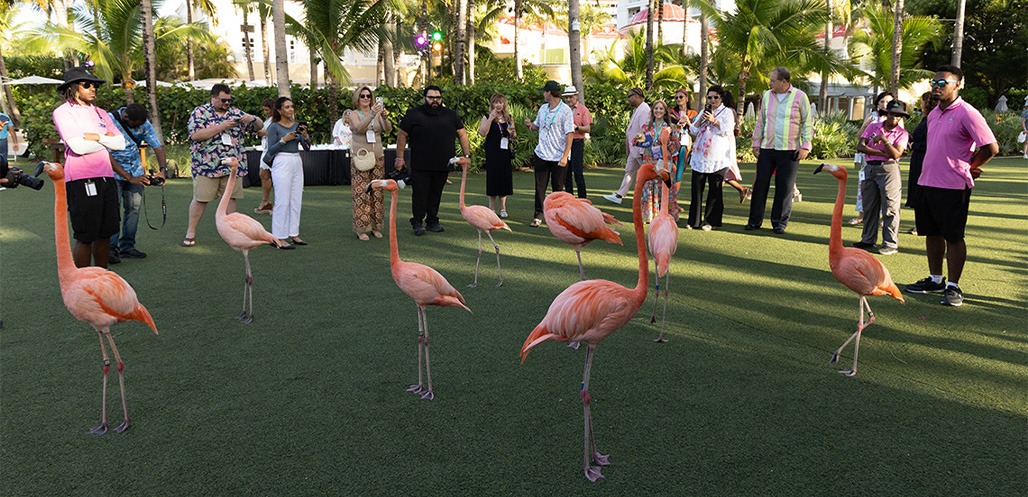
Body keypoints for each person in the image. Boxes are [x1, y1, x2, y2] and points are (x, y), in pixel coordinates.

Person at [904, 65, 998, 307]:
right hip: (926, 181)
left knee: (953, 237)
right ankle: (935, 279)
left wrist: (970, 165)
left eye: (942, 83)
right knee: (931, 233)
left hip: (953, 185)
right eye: (934, 83)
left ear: (957, 85)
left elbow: (990, 147)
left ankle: (953, 286)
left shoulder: (968, 113)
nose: (936, 87)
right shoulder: (934, 112)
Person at [52, 66, 136, 268]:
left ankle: (102, 278)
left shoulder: (101, 113)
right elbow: (78, 147)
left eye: (95, 85)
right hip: (81, 179)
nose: (93, 88)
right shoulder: (63, 112)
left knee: (106, 233)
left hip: (107, 177)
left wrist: (95, 137)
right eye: (87, 84)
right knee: (86, 235)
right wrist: (106, 140)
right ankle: (81, 281)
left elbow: (121, 143)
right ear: (72, 88)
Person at [182, 84, 262, 247]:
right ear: (213, 98)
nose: (227, 103)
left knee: (231, 199)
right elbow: (195, 135)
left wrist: (253, 119)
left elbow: (259, 127)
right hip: (207, 166)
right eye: (223, 100)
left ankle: (233, 233)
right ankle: (190, 233)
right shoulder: (200, 112)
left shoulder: (235, 113)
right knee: (201, 199)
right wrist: (222, 127)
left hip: (232, 166)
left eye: (229, 100)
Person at [395, 86, 471, 236]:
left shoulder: (450, 115)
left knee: (436, 194)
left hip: (443, 164)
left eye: (438, 97)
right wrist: (399, 157)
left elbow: (462, 134)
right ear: (425, 98)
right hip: (420, 164)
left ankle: (432, 221)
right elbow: (402, 135)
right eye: (431, 98)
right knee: (420, 194)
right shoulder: (413, 114)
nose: (434, 100)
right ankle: (417, 222)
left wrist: (467, 156)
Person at [747, 66, 813, 234]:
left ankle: (779, 223)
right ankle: (754, 221)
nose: (770, 83)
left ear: (784, 81)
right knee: (760, 185)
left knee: (784, 188)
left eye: (773, 81)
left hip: (789, 149)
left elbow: (807, 122)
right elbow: (761, 120)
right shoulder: (767, 96)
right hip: (767, 147)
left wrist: (806, 146)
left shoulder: (800, 96)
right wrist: (756, 142)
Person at [107, 103, 168, 263]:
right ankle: (111, 249)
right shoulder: (109, 120)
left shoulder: (143, 122)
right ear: (126, 117)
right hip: (113, 172)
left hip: (135, 172)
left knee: (133, 209)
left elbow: (157, 147)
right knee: (113, 211)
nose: (139, 127)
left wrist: (163, 170)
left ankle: (127, 247)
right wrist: (128, 177)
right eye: (136, 124)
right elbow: (105, 155)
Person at [851, 100, 910, 255]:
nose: (894, 118)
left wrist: (884, 140)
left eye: (898, 115)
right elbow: (860, 146)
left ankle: (890, 244)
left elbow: (896, 154)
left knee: (890, 207)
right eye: (891, 114)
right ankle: (868, 240)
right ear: (886, 114)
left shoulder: (902, 133)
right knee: (869, 206)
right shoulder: (873, 126)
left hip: (889, 169)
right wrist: (881, 152)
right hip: (870, 167)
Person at [523, 80, 575, 227]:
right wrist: (529, 125)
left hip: (558, 156)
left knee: (557, 189)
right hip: (541, 154)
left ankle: (557, 216)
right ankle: (538, 215)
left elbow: (570, 134)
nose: (543, 94)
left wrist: (565, 156)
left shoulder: (565, 111)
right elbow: (536, 126)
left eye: (544, 91)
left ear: (550, 93)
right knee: (540, 187)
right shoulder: (543, 108)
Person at [686, 85, 737, 230]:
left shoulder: (727, 112)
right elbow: (693, 130)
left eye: (715, 97)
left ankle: (711, 221)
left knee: (715, 190)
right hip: (700, 155)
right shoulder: (704, 111)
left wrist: (714, 120)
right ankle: (694, 221)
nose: (712, 100)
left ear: (721, 98)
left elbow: (728, 131)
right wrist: (700, 120)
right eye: (710, 97)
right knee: (697, 189)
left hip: (718, 156)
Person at [346, 86, 391, 241]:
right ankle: (362, 229)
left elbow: (387, 129)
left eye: (368, 96)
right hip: (361, 157)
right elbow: (359, 129)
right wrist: (371, 114)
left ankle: (376, 226)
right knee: (361, 193)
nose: (366, 98)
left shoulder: (377, 113)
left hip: (377, 156)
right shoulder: (353, 114)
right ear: (357, 99)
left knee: (377, 192)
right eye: (362, 96)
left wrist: (384, 117)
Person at [264, 97, 311, 247]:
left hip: (296, 160)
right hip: (281, 161)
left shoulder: (296, 126)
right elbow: (271, 150)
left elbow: (307, 148)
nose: (291, 109)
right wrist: (284, 140)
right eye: (287, 107)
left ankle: (294, 233)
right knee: (282, 200)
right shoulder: (274, 127)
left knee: (296, 199)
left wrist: (305, 136)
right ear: (279, 110)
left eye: (291, 106)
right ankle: (278, 236)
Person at [850, 91, 895, 226]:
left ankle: (884, 217)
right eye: (882, 101)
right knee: (864, 187)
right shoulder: (872, 116)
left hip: (886, 159)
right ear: (877, 103)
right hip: (868, 158)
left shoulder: (896, 117)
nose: (885, 104)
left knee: (886, 189)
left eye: (888, 102)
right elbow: (860, 136)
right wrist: (865, 125)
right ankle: (862, 215)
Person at [603, 87, 651, 205]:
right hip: (634, 149)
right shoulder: (639, 109)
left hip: (639, 149)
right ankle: (619, 195)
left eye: (630, 96)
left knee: (646, 174)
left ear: (636, 96)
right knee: (629, 171)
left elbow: (644, 130)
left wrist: (642, 150)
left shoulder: (644, 109)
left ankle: (650, 197)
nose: (628, 99)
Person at [478, 92, 516, 218]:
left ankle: (503, 207)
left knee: (504, 178)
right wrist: (491, 118)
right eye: (496, 102)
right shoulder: (487, 116)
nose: (498, 105)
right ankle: (491, 208)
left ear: (504, 104)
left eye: (500, 102)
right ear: (492, 104)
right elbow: (482, 133)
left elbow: (514, 135)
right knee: (493, 177)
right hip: (492, 151)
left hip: (505, 151)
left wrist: (512, 133)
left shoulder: (509, 118)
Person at [905, 92, 938, 235]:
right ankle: (920, 223)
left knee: (923, 191)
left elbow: (931, 142)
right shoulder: (926, 118)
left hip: (924, 158)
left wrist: (914, 145)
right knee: (917, 190)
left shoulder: (933, 119)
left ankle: (924, 224)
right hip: (917, 158)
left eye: (922, 102)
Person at [638, 100, 673, 223]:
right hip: (648, 159)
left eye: (661, 109)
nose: (658, 111)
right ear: (652, 110)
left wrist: (667, 142)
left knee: (660, 186)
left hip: (662, 159)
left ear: (665, 111)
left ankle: (661, 214)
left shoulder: (669, 128)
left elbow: (675, 147)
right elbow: (638, 142)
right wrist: (639, 138)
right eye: (656, 108)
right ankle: (647, 214)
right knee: (647, 185)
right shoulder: (646, 127)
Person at [562, 85, 592, 199]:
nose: (568, 99)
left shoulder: (583, 110)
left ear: (576, 96)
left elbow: (587, 128)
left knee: (578, 172)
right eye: (566, 97)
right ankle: (569, 198)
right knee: (566, 172)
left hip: (577, 142)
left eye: (570, 97)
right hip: (565, 142)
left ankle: (582, 198)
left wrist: (576, 127)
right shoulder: (562, 110)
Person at [255, 98, 276, 214]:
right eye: (264, 110)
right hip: (266, 149)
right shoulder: (268, 120)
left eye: (267, 110)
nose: (265, 112)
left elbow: (280, 132)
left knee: (277, 177)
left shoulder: (278, 119)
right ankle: (266, 202)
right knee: (263, 174)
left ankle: (278, 204)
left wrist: (265, 133)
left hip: (275, 150)